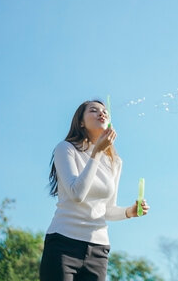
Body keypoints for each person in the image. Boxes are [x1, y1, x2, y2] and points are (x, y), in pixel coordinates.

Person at [40, 100, 150, 281]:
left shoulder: (115, 162)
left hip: (98, 250)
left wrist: (129, 212)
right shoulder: (66, 149)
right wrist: (97, 152)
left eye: (105, 111)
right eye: (94, 110)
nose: (102, 113)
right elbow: (77, 194)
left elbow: (106, 210)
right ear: (81, 122)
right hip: (63, 244)